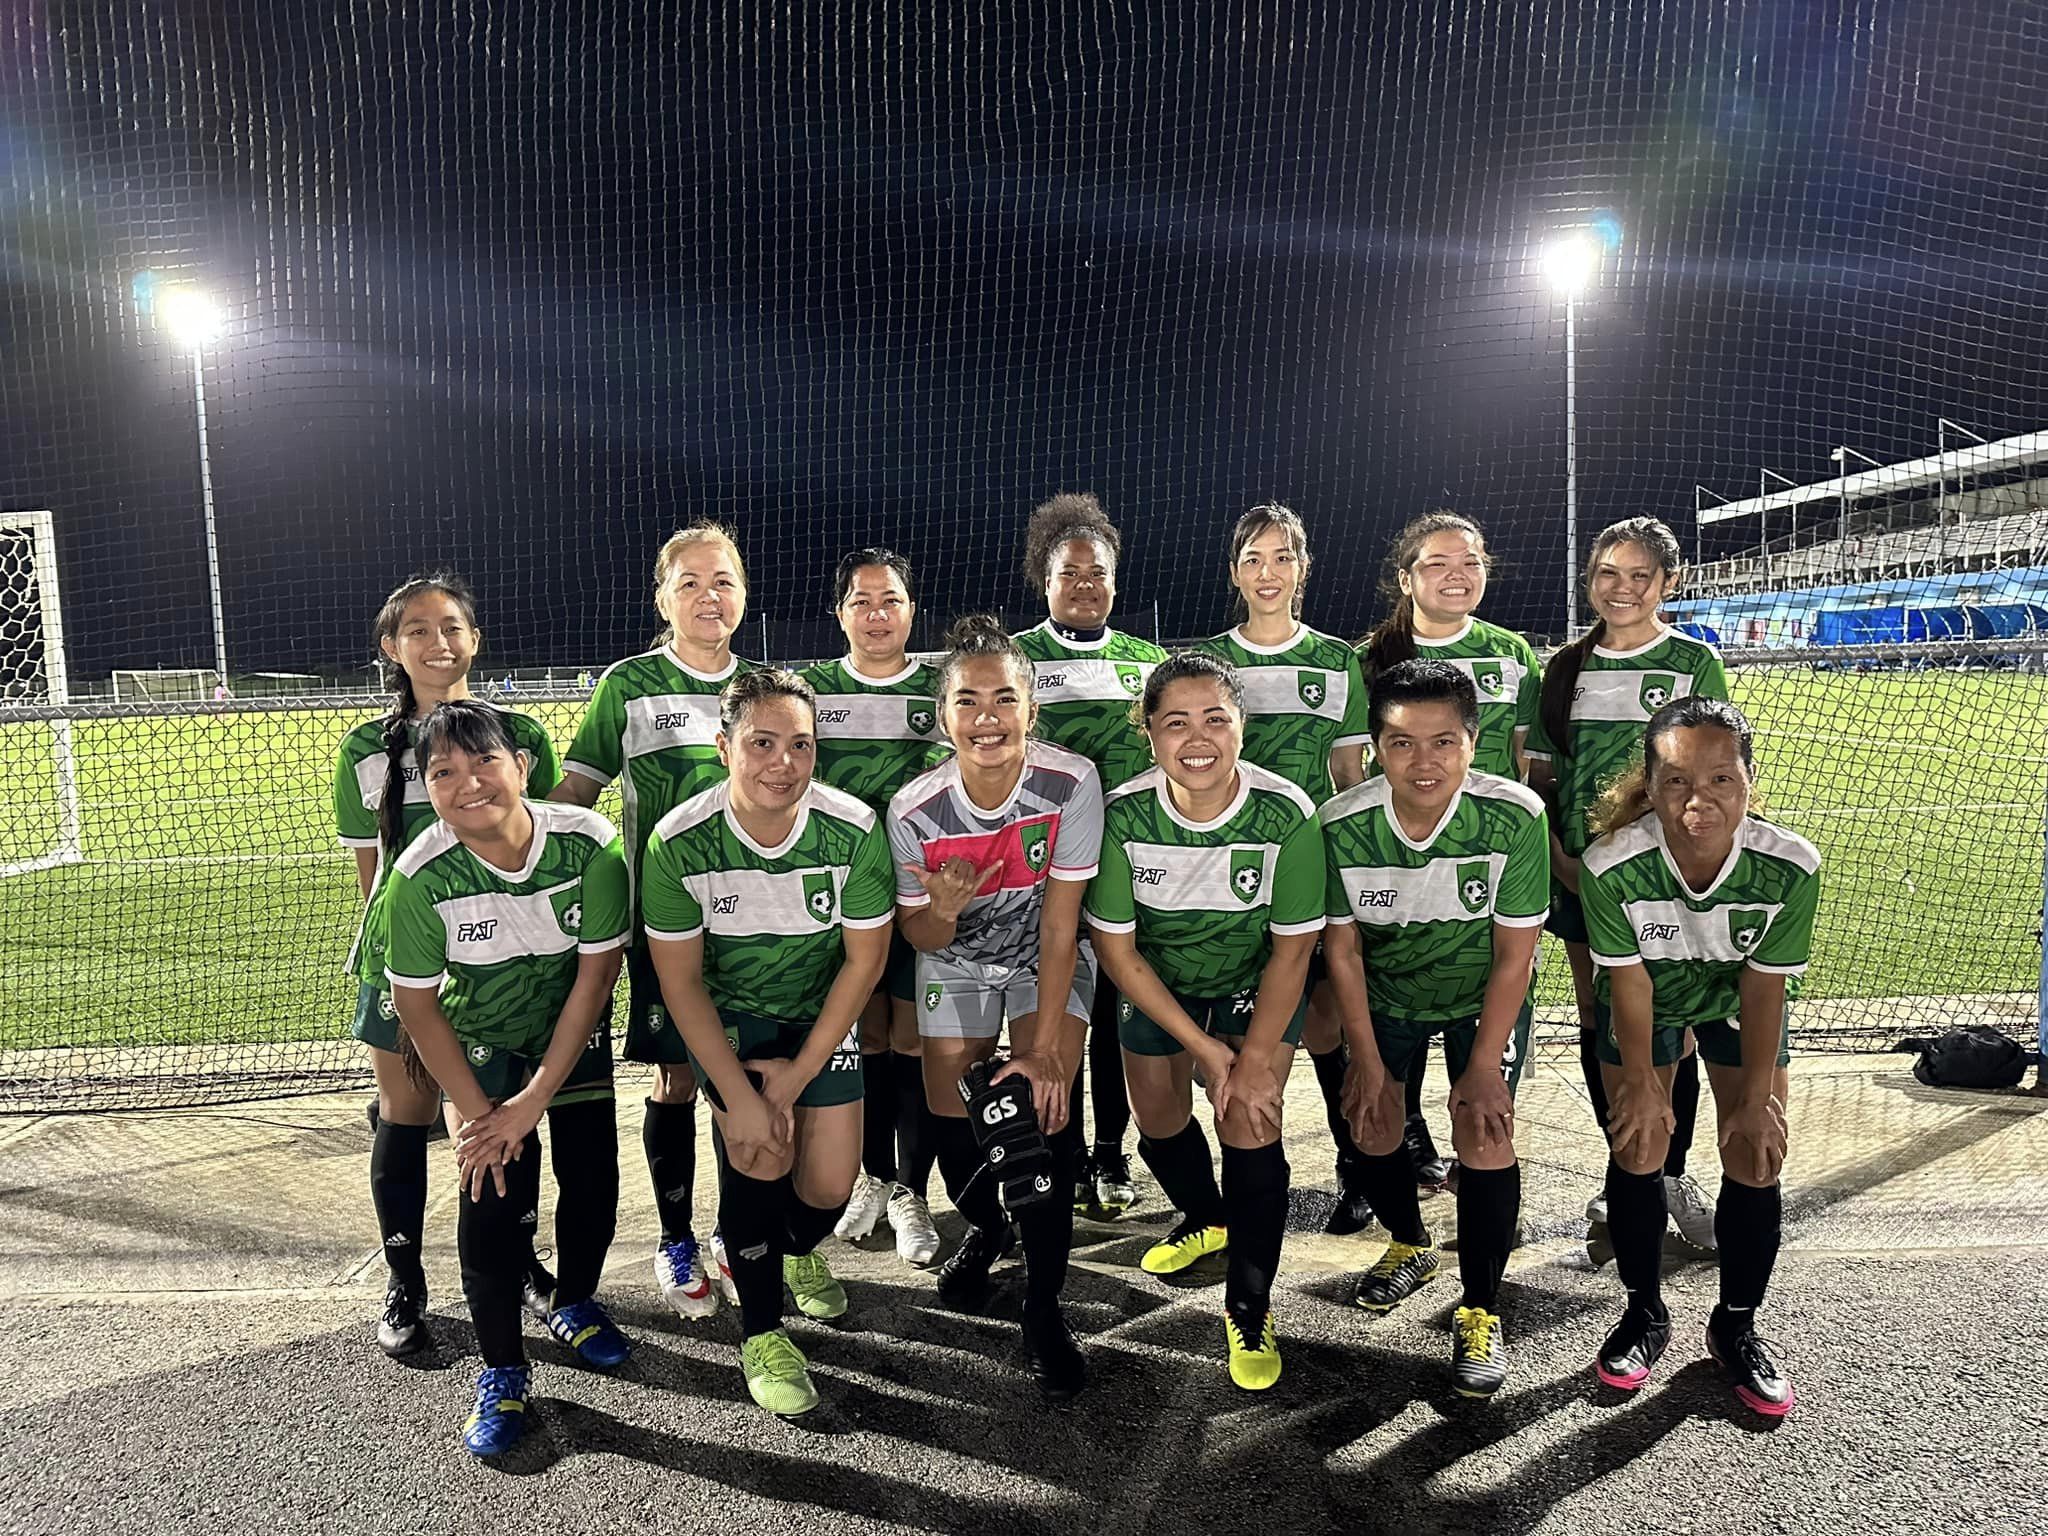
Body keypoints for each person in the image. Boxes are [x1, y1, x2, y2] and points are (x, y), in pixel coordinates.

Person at [382, 700, 632, 1456]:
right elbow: (417, 1010)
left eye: (484, 761)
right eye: (443, 772)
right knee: (491, 1189)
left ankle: (575, 1301)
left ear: (522, 767)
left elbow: (596, 980)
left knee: (591, 1181)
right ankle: (502, 1370)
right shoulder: (418, 876)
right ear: (429, 789)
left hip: (567, 1031)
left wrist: (536, 1098)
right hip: (477, 1041)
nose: (468, 782)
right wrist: (480, 1115)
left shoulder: (591, 845)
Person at [643, 670, 895, 1416]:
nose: (782, 762)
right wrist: (741, 1094)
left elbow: (864, 962)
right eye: (761, 743)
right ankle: (760, 1331)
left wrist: (790, 1082)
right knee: (759, 1151)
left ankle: (781, 1247)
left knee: (827, 1189)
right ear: (725, 748)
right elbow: (682, 984)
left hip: (820, 1017)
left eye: (800, 745)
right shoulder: (679, 842)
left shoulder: (852, 826)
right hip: (730, 1022)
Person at [332, 573, 564, 1358]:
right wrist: (396, 970)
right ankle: (405, 1280)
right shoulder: (367, 750)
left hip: (505, 965)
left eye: (454, 626)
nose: (439, 642)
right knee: (405, 1115)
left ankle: (518, 1261)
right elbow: (374, 881)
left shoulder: (522, 731)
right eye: (420, 630)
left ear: (475, 637)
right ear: (392, 648)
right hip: (410, 970)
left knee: (499, 1120)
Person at [1085, 652, 1323, 1390]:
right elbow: (1119, 955)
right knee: (1156, 1120)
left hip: (1258, 988)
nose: (1198, 737)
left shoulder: (1287, 812)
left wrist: (1248, 1058)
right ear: (1150, 736)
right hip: (1160, 990)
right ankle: (1206, 1216)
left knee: (1251, 1116)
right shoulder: (1123, 815)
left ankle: (1249, 1307)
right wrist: (1202, 1051)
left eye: (1215, 718)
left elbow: (1293, 954)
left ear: (1240, 727)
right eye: (1176, 722)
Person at [1580, 696, 1819, 1418]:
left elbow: (1762, 988)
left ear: (1750, 779)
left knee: (1755, 1149)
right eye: (1677, 781)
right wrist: (1650, 1085)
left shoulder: (1789, 866)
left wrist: (1753, 1100)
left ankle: (1736, 1326)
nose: (1699, 800)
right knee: (1641, 1139)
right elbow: (1629, 983)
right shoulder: (1612, 865)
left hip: (1735, 995)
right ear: (1649, 787)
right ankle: (1644, 1314)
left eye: (1721, 779)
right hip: (1649, 993)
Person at [887, 614, 1103, 1401]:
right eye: (969, 701)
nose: (988, 717)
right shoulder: (914, 809)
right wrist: (942, 909)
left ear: (1030, 709)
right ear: (942, 716)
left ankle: (1043, 1311)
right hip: (955, 961)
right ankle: (989, 1225)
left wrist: (1045, 1048)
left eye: (1004, 698)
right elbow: (918, 930)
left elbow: (1059, 922)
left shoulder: (1071, 782)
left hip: (1048, 961)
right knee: (959, 1151)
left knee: (1033, 1121)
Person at [1321, 660, 1548, 1399]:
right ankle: (1410, 1244)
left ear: (1473, 743)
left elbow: (1516, 956)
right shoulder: (1341, 826)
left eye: (1444, 742)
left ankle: (1481, 1308)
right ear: (1376, 748)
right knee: (1373, 1123)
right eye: (1401, 743)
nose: (1425, 762)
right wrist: (1366, 1059)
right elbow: (1345, 950)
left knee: (1484, 1129)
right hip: (1388, 995)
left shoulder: (1515, 816)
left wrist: (1484, 1068)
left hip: (1483, 996)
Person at [551, 523, 757, 1319]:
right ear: (663, 596)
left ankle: (739, 1235)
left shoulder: (764, 685)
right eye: (692, 582)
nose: (710, 597)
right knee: (678, 1078)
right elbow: (575, 797)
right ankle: (676, 1238)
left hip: (762, 929)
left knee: (746, 1078)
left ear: (743, 593)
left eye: (724, 581)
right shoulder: (630, 684)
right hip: (667, 927)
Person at [1526, 516, 1726, 1247]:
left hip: (1671, 881)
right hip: (1585, 879)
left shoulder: (1693, 662)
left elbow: (1710, 772)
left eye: (1640, 575)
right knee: (1602, 1022)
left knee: (1674, 1027)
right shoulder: (1565, 669)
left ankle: (1664, 1173)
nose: (1622, 588)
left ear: (1669, 583)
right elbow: (1541, 783)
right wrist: (1563, 865)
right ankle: (1627, 1173)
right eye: (1608, 573)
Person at [1196, 503, 1373, 1238]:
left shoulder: (1338, 662)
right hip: (1224, 875)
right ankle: (1237, 1174)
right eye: (1253, 559)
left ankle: (1355, 1169)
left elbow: (1348, 777)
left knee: (1328, 1022)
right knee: (1233, 1026)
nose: (1268, 573)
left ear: (1302, 569)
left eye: (1282, 558)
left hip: (1312, 870)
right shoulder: (1209, 662)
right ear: (1235, 571)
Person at [1358, 510, 1545, 1202]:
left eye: (1469, 561)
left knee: (1491, 1020)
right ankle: (1401, 1151)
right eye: (1437, 563)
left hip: (1483, 874)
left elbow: (1527, 764)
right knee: (1393, 1027)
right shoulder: (1370, 660)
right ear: (1407, 579)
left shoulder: (1512, 653)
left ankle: (1482, 1172)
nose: (1456, 574)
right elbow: (1353, 773)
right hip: (1396, 878)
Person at [1013, 492, 1168, 1219]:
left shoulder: (1149, 663)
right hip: (1036, 870)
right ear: (1045, 579)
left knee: (1112, 1010)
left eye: (1097, 574)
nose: (1084, 586)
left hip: (1124, 870)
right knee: (1055, 1006)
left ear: (1114, 580)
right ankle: (1062, 1152)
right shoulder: (1015, 661)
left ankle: (1111, 1153)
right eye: (1069, 573)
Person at [801, 549, 945, 1268]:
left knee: (914, 1039)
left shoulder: (941, 689)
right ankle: (874, 1176)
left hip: (921, 895)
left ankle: (912, 1191)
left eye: (890, 599)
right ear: (841, 614)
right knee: (866, 1038)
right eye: (862, 601)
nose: (877, 613)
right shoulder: (814, 691)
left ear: (911, 610)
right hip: (843, 898)